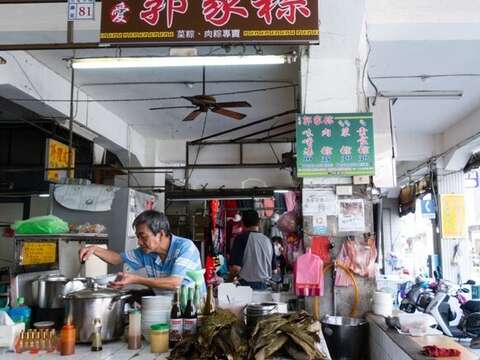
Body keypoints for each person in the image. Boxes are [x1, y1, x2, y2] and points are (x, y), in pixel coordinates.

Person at [79, 210, 204, 293]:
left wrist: (135, 279)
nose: (139, 242)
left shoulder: (185, 247)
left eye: (143, 236)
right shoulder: (147, 252)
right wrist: (94, 249)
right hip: (166, 308)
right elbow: (116, 259)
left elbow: (174, 282)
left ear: (160, 234)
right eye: (138, 237)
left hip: (193, 311)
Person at [229, 210, 275, 290]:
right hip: (266, 286)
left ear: (242, 223)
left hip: (246, 286)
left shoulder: (241, 239)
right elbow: (274, 270)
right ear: (258, 223)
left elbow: (236, 268)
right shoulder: (268, 240)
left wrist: (228, 280)